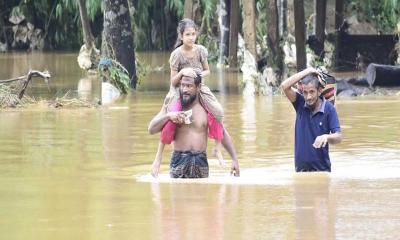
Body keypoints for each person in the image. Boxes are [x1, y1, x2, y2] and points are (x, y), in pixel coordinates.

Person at [151, 18, 233, 176]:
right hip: (179, 89)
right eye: (187, 34)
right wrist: (183, 73)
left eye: (193, 34)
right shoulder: (176, 55)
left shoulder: (201, 50)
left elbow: (207, 70)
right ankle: (158, 157)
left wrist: (199, 75)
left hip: (199, 86)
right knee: (171, 119)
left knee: (218, 112)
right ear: (181, 36)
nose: (191, 37)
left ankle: (217, 149)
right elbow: (173, 81)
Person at [148, 74, 240, 178]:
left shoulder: (207, 108)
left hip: (201, 161)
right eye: (183, 85)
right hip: (179, 160)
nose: (185, 90)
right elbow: (151, 129)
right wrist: (168, 116)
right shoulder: (173, 106)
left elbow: (222, 133)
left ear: (198, 87)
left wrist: (234, 159)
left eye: (189, 86)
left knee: (202, 193)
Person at [280, 67, 342, 172]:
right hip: (300, 172)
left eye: (312, 92)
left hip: (322, 172)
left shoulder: (328, 109)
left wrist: (326, 137)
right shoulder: (299, 103)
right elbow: (284, 86)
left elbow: (338, 137)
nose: (308, 97)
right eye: (305, 92)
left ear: (319, 91)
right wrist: (308, 71)